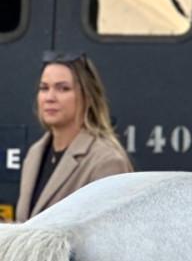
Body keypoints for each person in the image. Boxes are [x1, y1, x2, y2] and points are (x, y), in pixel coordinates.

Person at [17, 53, 134, 222]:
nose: (50, 97)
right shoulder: (34, 154)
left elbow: (110, 238)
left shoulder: (106, 161)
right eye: (44, 88)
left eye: (63, 88)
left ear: (87, 96)